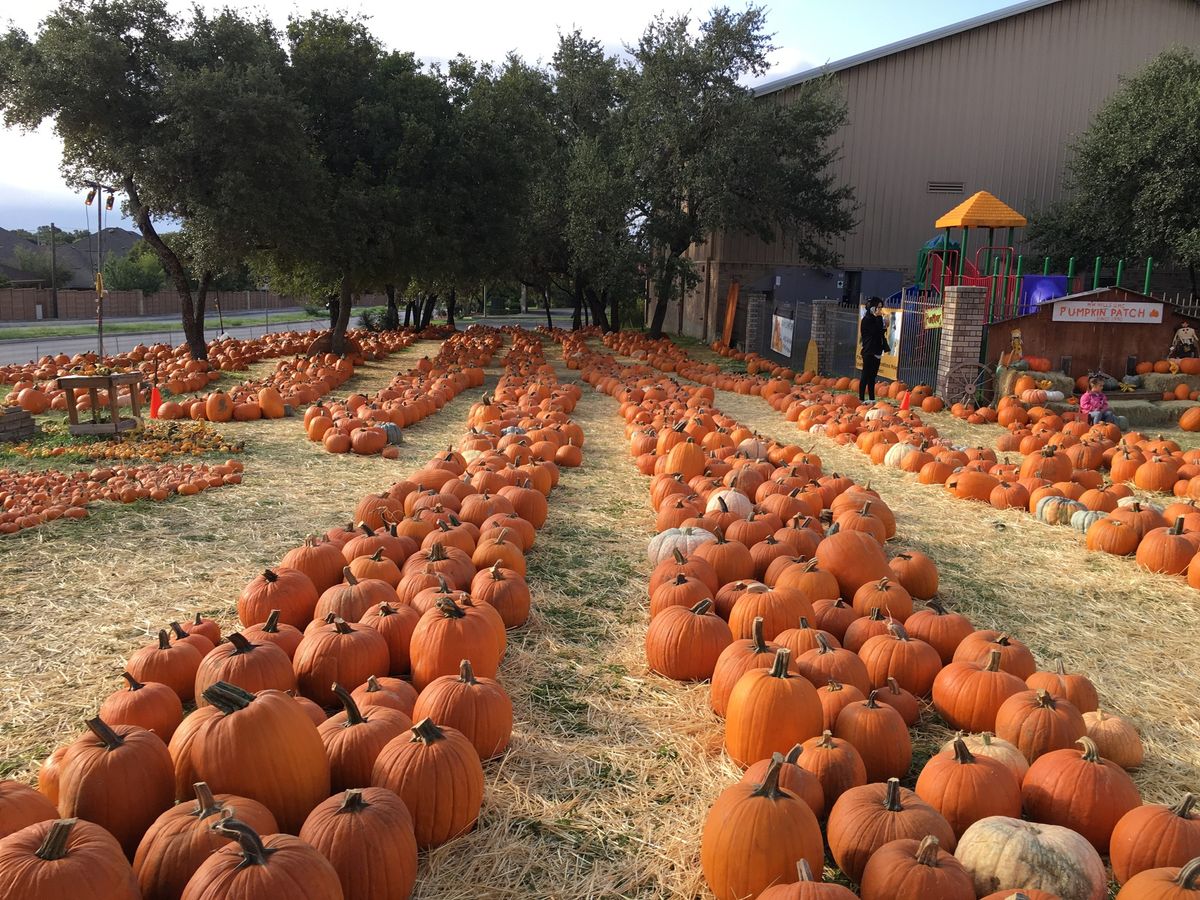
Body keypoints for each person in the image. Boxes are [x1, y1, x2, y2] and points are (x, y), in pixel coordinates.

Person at [859, 297, 889, 401]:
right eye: (879, 308)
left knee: (872, 376)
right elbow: (874, 332)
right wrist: (878, 318)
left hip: (877, 350)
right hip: (868, 351)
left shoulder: (877, 319)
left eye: (881, 308)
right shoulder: (866, 320)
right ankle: (861, 398)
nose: (880, 310)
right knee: (865, 375)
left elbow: (880, 333)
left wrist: (885, 326)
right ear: (872, 308)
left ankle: (871, 398)